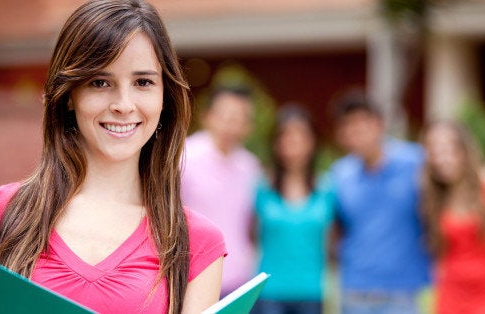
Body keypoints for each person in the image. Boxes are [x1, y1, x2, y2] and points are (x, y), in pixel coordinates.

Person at [0, 1, 227, 313]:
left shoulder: (197, 243)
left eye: (143, 82)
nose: (123, 104)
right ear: (70, 95)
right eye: (100, 82)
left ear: (164, 97)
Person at [328, 90, 430, 314]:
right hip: (355, 291)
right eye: (348, 127)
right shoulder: (339, 175)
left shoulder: (416, 163)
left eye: (361, 124)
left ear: (379, 124)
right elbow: (333, 230)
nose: (355, 133)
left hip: (402, 293)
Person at [420, 121, 485, 314]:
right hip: (450, 300)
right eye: (433, 151)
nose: (441, 158)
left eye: (447, 148)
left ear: (464, 149)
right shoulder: (437, 194)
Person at [252, 105, 335, 314]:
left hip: (311, 292)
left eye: (301, 135)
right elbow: (250, 235)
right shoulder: (262, 186)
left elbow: (333, 240)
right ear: (276, 143)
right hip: (269, 292)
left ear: (313, 141)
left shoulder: (327, 188)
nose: (294, 142)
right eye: (286, 136)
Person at [181, 86, 261, 296]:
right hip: (193, 278)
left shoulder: (250, 166)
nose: (231, 125)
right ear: (207, 116)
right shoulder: (184, 157)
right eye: (225, 116)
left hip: (239, 280)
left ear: (249, 126)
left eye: (240, 119)